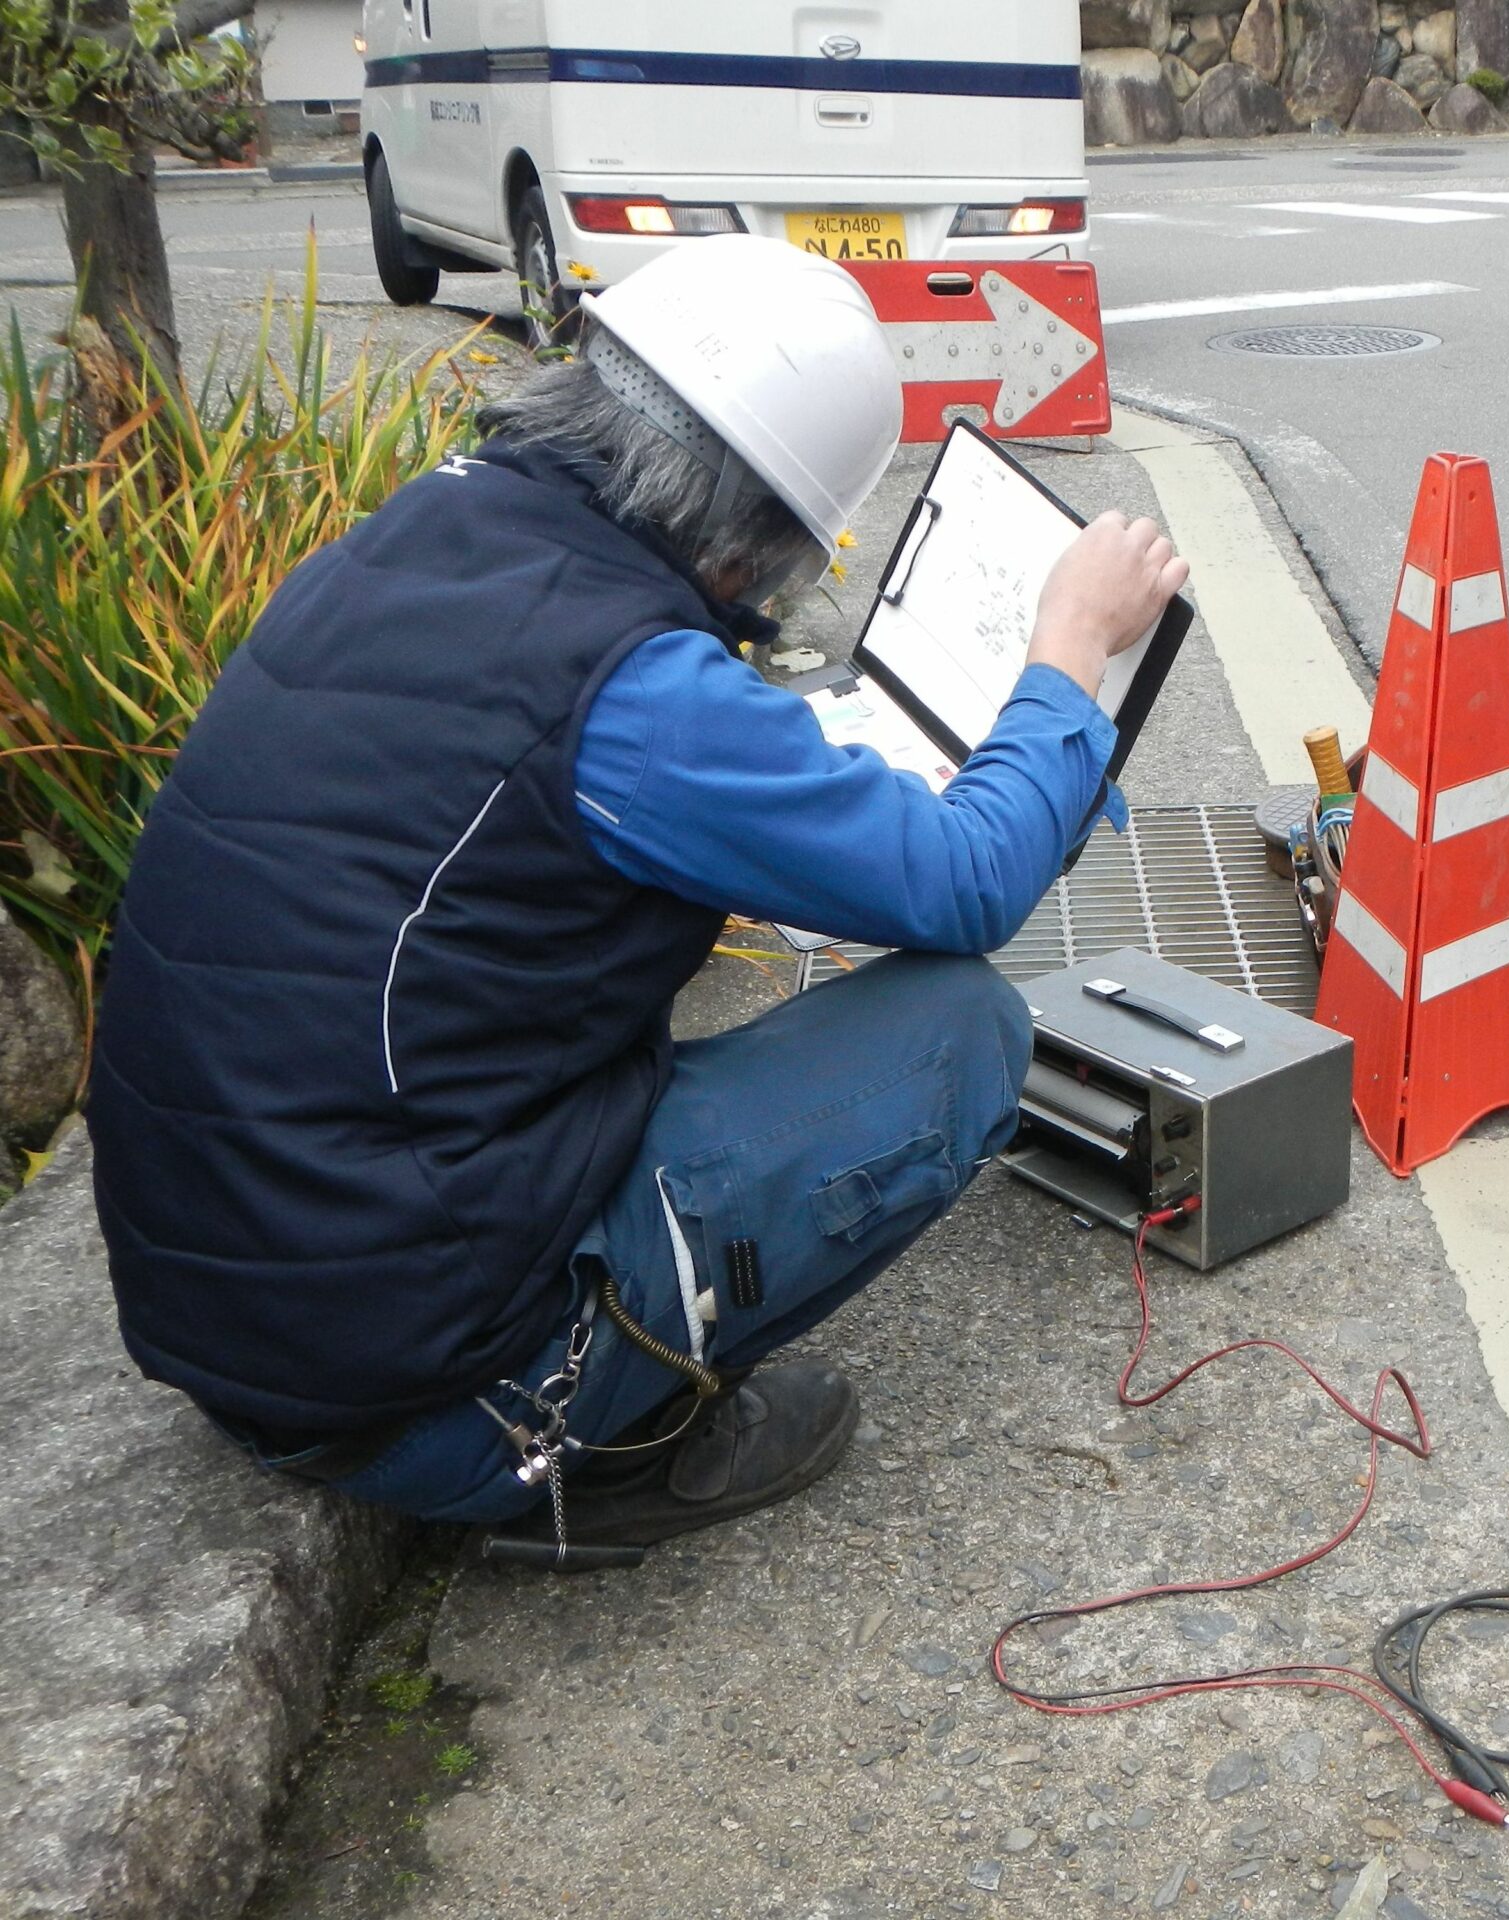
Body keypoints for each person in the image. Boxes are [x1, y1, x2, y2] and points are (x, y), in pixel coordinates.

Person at [88, 236, 1188, 1563]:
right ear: (753, 539)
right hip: (424, 1393)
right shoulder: (638, 701)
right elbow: (965, 885)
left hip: (240, 1308)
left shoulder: (428, 530)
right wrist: (1066, 649)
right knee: (961, 1032)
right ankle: (609, 1450)